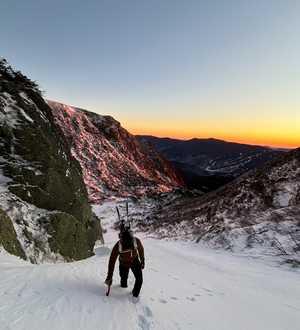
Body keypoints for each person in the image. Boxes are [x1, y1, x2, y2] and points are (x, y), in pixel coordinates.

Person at [105, 229, 145, 297]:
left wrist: (142, 260)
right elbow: (112, 260)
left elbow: (141, 250)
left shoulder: (136, 241)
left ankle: (135, 295)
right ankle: (123, 286)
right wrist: (110, 275)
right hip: (123, 264)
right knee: (123, 279)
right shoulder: (118, 246)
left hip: (135, 262)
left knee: (139, 279)